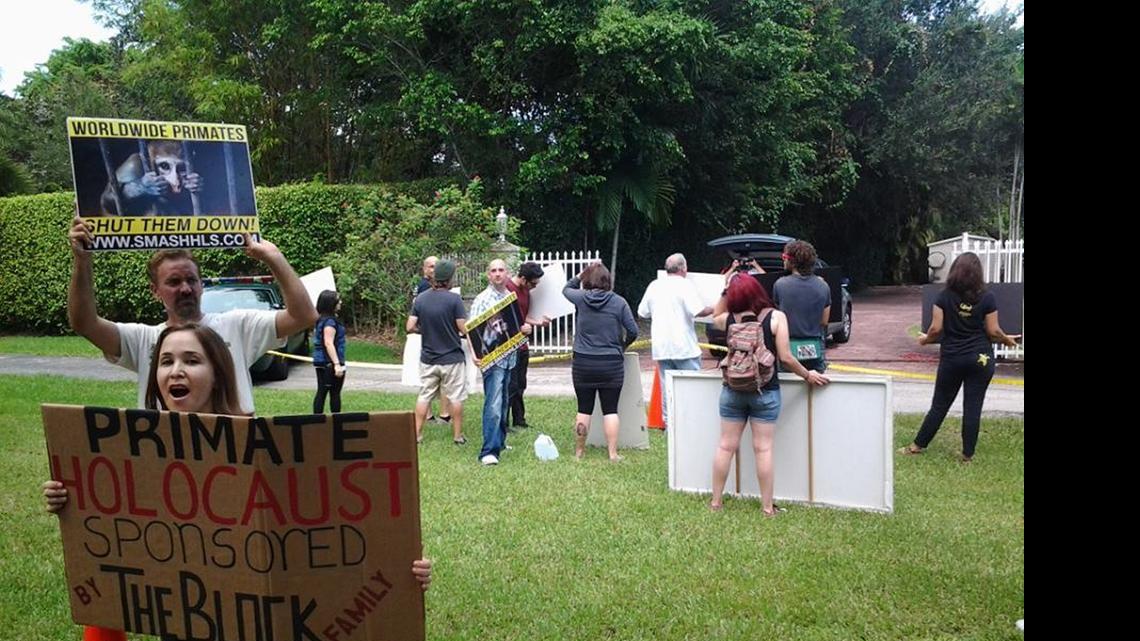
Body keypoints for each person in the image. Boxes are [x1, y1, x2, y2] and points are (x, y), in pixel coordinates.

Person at [43, 325, 432, 641]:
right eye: (165, 361)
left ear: (216, 375)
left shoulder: (258, 446)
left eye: (191, 360)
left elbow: (328, 536)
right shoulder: (130, 454)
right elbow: (119, 544)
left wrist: (400, 567)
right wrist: (73, 500)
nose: (175, 370)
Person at [66, 216, 317, 415]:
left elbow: (303, 316)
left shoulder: (238, 325)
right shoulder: (142, 338)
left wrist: (273, 258)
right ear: (155, 291)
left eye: (191, 280)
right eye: (174, 282)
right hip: (167, 459)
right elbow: (84, 323)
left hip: (233, 454)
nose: (185, 288)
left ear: (201, 285)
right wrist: (82, 260)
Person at [708, 274, 829, 515]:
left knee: (725, 446)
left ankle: (716, 502)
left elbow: (714, 315)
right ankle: (766, 508)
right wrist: (808, 375)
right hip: (765, 390)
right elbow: (785, 357)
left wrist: (725, 290)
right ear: (758, 291)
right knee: (762, 449)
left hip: (732, 389)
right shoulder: (776, 318)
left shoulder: (729, 319)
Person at [899, 252, 1020, 462]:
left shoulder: (944, 296)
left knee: (940, 405)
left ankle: (917, 446)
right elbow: (993, 331)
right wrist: (1007, 340)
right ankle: (967, 455)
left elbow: (936, 329)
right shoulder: (987, 297)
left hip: (952, 358)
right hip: (980, 358)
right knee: (973, 406)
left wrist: (925, 340)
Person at [562, 263, 638, 461]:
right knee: (610, 409)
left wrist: (580, 275)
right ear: (608, 281)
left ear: (588, 280)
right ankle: (612, 454)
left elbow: (566, 289)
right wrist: (621, 347)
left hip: (583, 362)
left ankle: (579, 453)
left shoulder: (581, 298)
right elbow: (633, 331)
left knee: (583, 409)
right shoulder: (619, 302)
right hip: (611, 364)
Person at [637, 253, 713, 428]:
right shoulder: (685, 285)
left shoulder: (654, 285)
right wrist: (715, 307)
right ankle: (691, 423)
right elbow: (698, 311)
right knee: (691, 386)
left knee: (667, 388)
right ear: (683, 268)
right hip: (684, 345)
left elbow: (642, 312)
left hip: (662, 346)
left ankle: (669, 424)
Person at [470, 259, 532, 466]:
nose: (497, 274)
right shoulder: (482, 299)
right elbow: (471, 331)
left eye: (501, 270)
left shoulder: (510, 297)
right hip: (492, 360)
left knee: (504, 402)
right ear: (488, 275)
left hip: (510, 357)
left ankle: (500, 442)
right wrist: (474, 354)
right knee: (494, 404)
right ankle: (489, 451)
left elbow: (513, 328)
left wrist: (525, 330)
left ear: (507, 274)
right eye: (493, 271)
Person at [407, 259, 469, 445]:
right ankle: (457, 436)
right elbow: (463, 328)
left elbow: (410, 326)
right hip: (452, 358)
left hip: (428, 358)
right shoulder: (454, 299)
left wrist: (424, 329)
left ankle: (417, 435)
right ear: (450, 278)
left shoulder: (422, 298)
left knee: (424, 395)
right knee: (456, 397)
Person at [773, 240, 831, 373]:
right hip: (815, 346)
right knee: (817, 386)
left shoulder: (780, 285)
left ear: (792, 261)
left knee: (788, 387)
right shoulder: (823, 286)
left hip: (788, 347)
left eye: (784, 258)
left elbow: (777, 317)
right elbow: (824, 321)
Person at [504, 262, 551, 430]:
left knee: (521, 384)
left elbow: (524, 317)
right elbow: (504, 319)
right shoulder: (507, 289)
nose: (534, 287)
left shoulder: (526, 291)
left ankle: (519, 419)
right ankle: (504, 422)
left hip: (523, 344)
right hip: (510, 345)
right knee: (511, 385)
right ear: (523, 279)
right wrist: (519, 328)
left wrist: (539, 322)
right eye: (533, 283)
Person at [413, 255, 452, 424]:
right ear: (424, 269)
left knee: (435, 382)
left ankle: (440, 414)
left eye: (436, 266)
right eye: (430, 266)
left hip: (432, 338)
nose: (434, 270)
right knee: (431, 383)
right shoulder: (423, 288)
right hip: (429, 339)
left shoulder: (432, 287)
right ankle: (431, 415)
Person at [313, 290, 347, 413]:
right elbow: (328, 342)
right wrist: (337, 364)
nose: (340, 303)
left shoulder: (322, 319)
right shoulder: (330, 322)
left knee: (324, 392)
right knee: (332, 393)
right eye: (338, 300)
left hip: (323, 360)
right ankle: (334, 421)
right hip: (328, 362)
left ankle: (320, 420)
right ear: (330, 303)